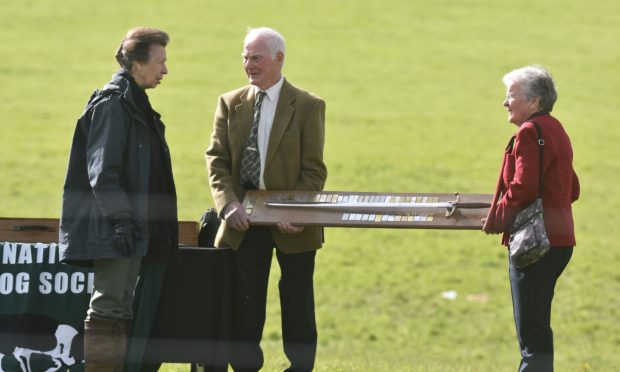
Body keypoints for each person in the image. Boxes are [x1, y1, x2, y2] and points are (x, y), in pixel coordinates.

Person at [206, 27, 327, 372]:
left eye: (255, 57)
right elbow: (216, 160)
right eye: (245, 56)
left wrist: (296, 212)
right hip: (244, 220)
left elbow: (314, 171)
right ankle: (245, 366)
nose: (248, 64)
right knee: (245, 301)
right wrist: (228, 205)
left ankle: (300, 367)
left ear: (278, 59)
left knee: (297, 301)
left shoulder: (308, 105)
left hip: (295, 222)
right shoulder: (229, 103)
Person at [59, 27, 178, 371]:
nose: (165, 70)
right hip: (115, 228)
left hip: (130, 227)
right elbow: (103, 172)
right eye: (160, 61)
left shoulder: (134, 104)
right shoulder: (113, 104)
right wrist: (122, 220)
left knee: (122, 308)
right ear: (138, 63)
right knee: (110, 307)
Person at [482, 65, 580, 371]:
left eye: (511, 95)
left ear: (534, 101)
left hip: (534, 244)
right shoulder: (557, 129)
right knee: (539, 328)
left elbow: (522, 188)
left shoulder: (529, 132)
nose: (505, 102)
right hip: (561, 241)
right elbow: (573, 188)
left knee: (531, 337)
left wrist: (497, 218)